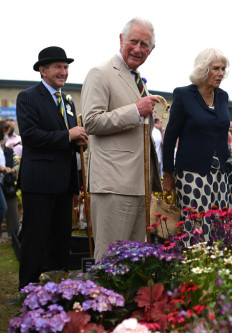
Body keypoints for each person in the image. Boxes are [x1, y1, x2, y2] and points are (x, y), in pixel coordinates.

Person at [81, 18, 162, 262]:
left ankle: (127, 302)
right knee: (109, 260)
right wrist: (135, 111)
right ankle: (104, 302)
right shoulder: (100, 73)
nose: (138, 49)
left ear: (151, 50)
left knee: (133, 262)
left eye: (144, 45)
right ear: (121, 40)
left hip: (140, 185)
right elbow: (91, 122)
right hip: (113, 186)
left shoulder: (138, 80)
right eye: (133, 42)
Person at [16, 46, 88, 290]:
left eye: (66, 67)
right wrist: (68, 135)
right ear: (42, 70)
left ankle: (57, 290)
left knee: (61, 239)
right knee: (35, 239)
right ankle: (27, 290)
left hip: (64, 183)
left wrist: (80, 142)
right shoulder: (28, 97)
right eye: (58, 67)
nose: (63, 72)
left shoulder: (67, 101)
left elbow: (69, 140)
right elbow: (31, 136)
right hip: (39, 182)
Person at [162, 48, 232, 246]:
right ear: (204, 69)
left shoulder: (222, 96)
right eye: (216, 68)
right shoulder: (184, 95)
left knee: (220, 225)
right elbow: (170, 137)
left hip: (221, 172)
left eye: (223, 69)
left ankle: (219, 269)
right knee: (196, 225)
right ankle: (194, 271)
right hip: (191, 173)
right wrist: (168, 173)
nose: (221, 73)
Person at [0, 120, 19, 240]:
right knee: (3, 208)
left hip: (7, 182)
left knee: (11, 208)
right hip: (1, 181)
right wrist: (3, 168)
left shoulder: (9, 151)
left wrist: (12, 170)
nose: (7, 134)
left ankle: (14, 235)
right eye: (6, 131)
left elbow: (16, 163)